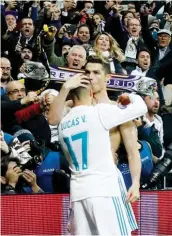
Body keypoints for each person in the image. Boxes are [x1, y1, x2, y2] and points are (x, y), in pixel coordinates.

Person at [48, 56, 141, 231]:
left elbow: (132, 151)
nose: (91, 77)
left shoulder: (117, 109)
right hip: (83, 184)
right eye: (87, 72)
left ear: (108, 77)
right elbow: (52, 119)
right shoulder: (72, 104)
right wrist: (66, 87)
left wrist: (135, 182)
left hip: (108, 182)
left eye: (96, 73)